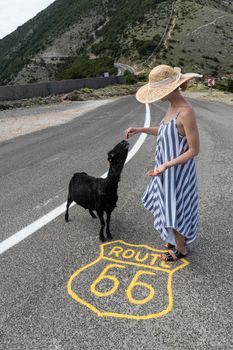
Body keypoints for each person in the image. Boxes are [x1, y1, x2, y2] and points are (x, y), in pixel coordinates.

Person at [125, 65, 202, 261]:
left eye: (159, 91)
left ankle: (182, 249)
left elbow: (194, 150)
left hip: (178, 173)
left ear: (171, 89)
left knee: (176, 209)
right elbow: (164, 130)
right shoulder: (171, 107)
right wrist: (140, 129)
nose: (157, 96)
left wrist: (167, 165)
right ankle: (173, 238)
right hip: (164, 171)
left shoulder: (186, 112)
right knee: (166, 206)